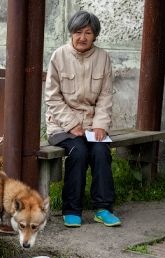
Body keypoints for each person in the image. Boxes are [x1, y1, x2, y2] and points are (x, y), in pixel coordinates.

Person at [44, 10, 121, 227]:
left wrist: (100, 125)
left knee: (100, 151)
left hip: (91, 125)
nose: (82, 37)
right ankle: (72, 209)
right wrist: (72, 124)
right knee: (78, 151)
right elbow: (52, 97)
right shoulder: (59, 56)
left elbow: (106, 96)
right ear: (71, 33)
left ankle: (103, 208)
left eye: (88, 32)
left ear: (95, 35)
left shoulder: (102, 57)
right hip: (61, 126)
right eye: (78, 32)